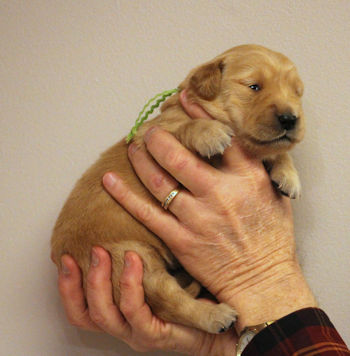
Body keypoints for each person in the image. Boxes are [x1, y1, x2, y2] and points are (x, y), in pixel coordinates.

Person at [57, 91, 349, 355]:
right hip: (113, 242)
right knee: (137, 270)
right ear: (208, 82)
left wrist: (265, 280)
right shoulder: (186, 116)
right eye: (254, 87)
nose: (289, 109)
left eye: (295, 93)